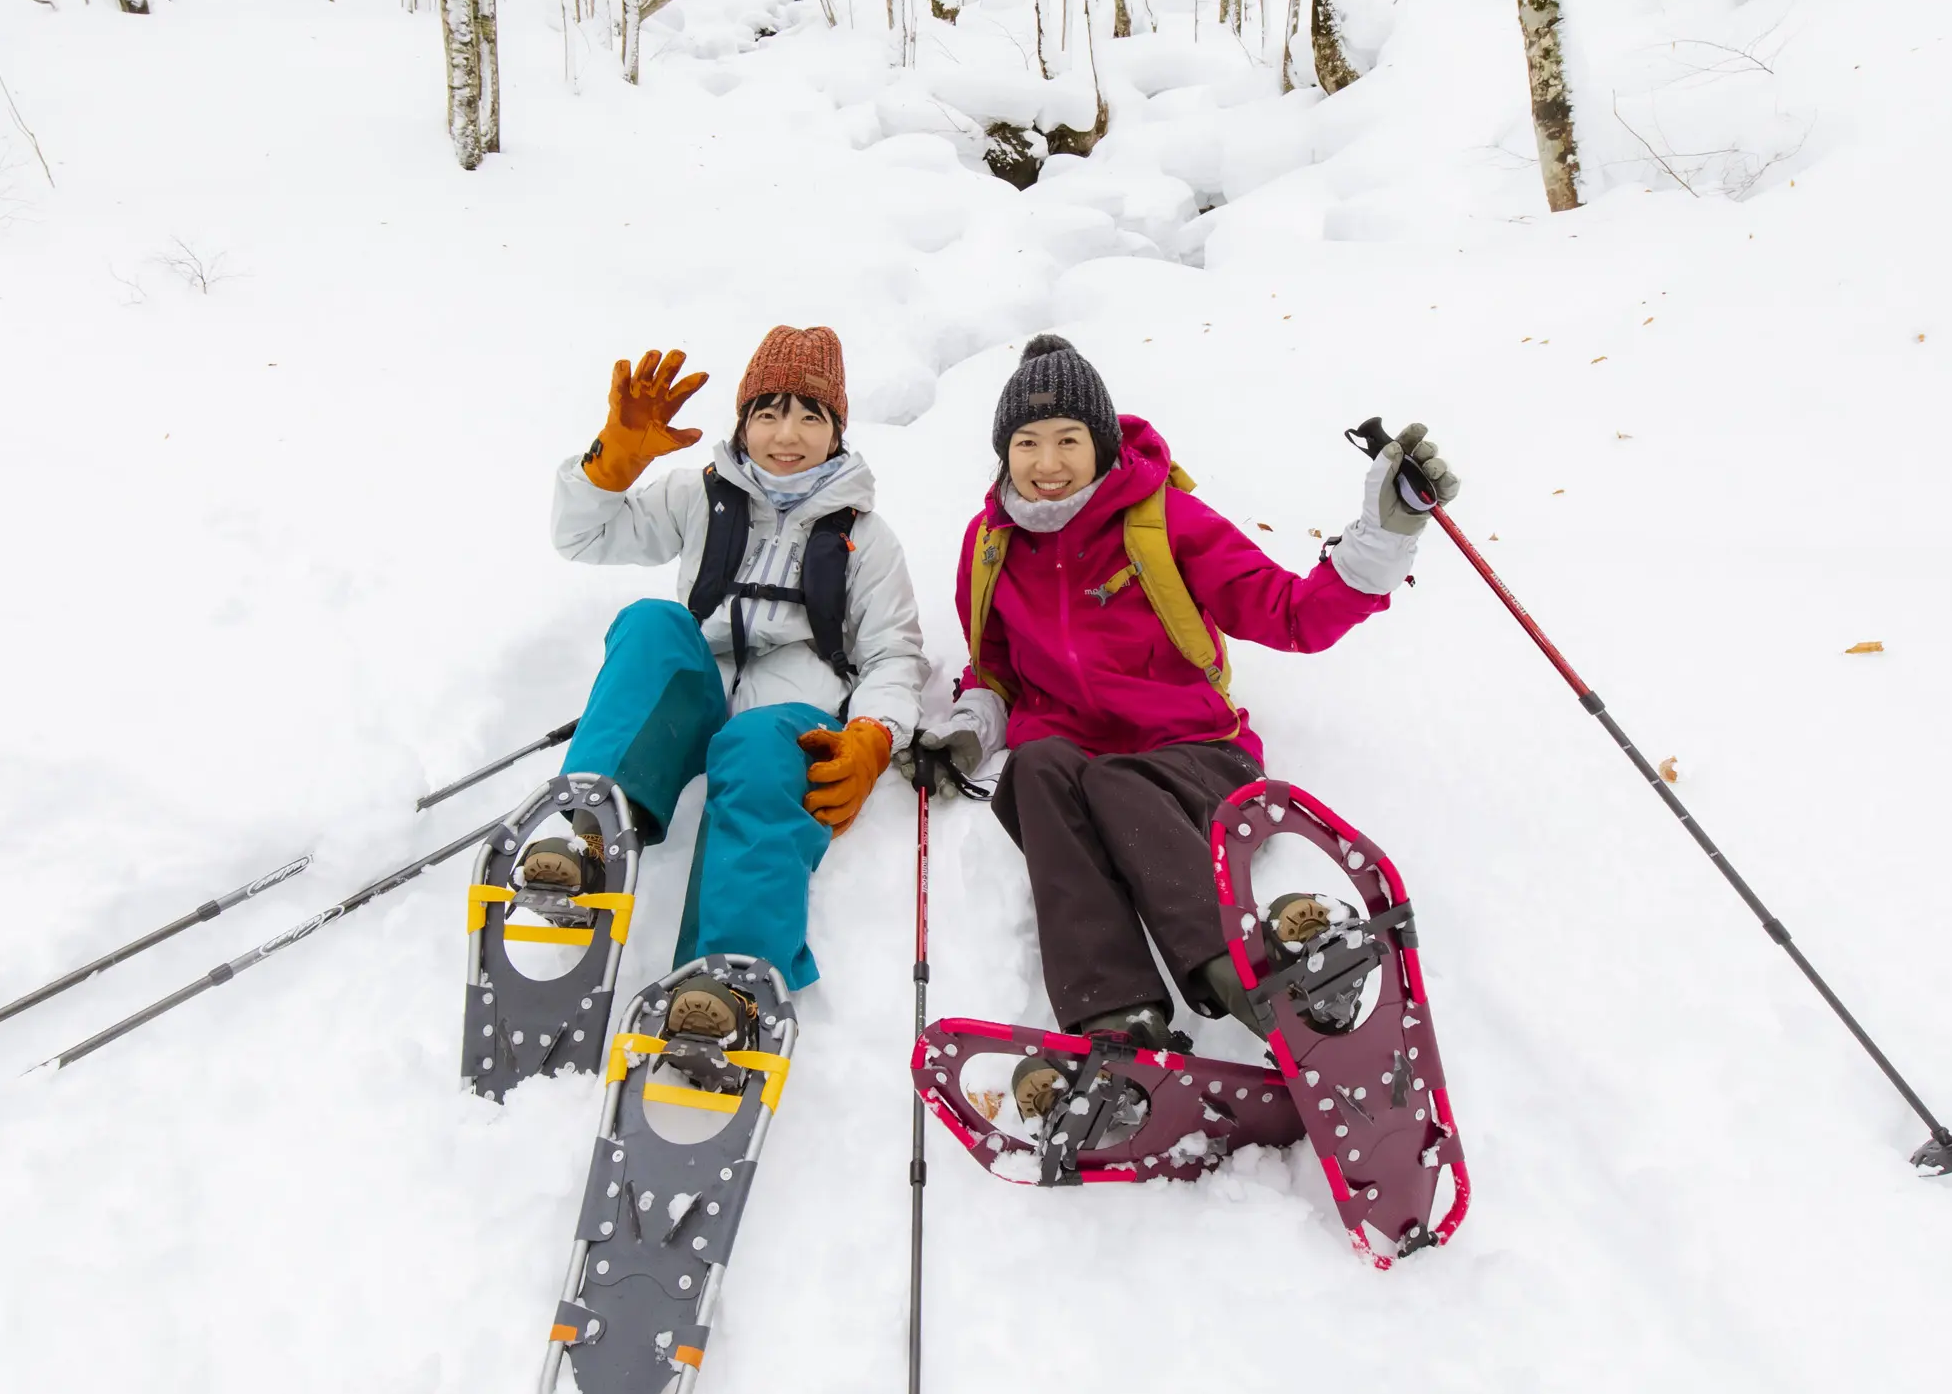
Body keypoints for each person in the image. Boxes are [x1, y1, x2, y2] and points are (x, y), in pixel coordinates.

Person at [920, 333, 1458, 1079]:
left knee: (1115, 780)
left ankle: (1251, 976)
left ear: (1102, 442)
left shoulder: (1163, 520)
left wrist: (1380, 545)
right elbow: (996, 672)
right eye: (1028, 442)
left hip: (1197, 753)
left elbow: (1291, 613)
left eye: (1068, 439)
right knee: (1036, 770)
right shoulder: (990, 545)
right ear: (1003, 452)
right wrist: (968, 732)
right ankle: (1118, 1020)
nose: (1047, 464)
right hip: (1073, 752)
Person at [544, 328, 927, 1042]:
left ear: (837, 430)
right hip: (696, 687)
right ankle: (592, 829)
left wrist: (875, 735)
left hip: (785, 710)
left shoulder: (867, 540)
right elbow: (584, 539)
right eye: (769, 413)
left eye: (811, 416)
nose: (788, 435)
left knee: (755, 752)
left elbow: (895, 655)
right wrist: (612, 463)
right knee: (654, 621)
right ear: (743, 421)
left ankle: (730, 979)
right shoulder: (699, 494)